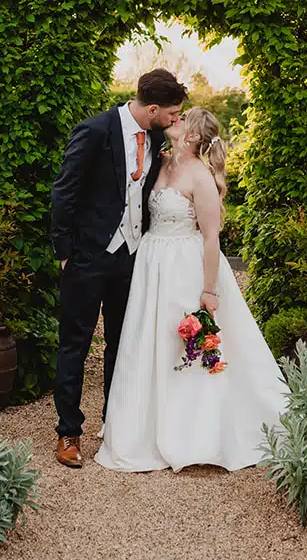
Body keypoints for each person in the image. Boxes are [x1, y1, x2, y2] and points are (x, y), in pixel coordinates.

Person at [95, 106, 288, 472]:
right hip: (151, 262)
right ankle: (142, 426)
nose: (174, 121)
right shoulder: (162, 162)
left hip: (184, 266)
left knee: (181, 344)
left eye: (182, 120)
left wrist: (209, 290)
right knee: (147, 341)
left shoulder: (201, 177)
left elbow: (212, 239)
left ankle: (191, 432)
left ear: (195, 136)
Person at [50, 68, 187, 469]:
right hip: (87, 257)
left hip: (131, 258)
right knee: (74, 343)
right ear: (154, 108)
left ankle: (115, 424)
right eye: (174, 113)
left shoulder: (159, 138)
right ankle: (68, 432)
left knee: (122, 344)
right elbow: (65, 189)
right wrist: (64, 249)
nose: (176, 119)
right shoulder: (94, 130)